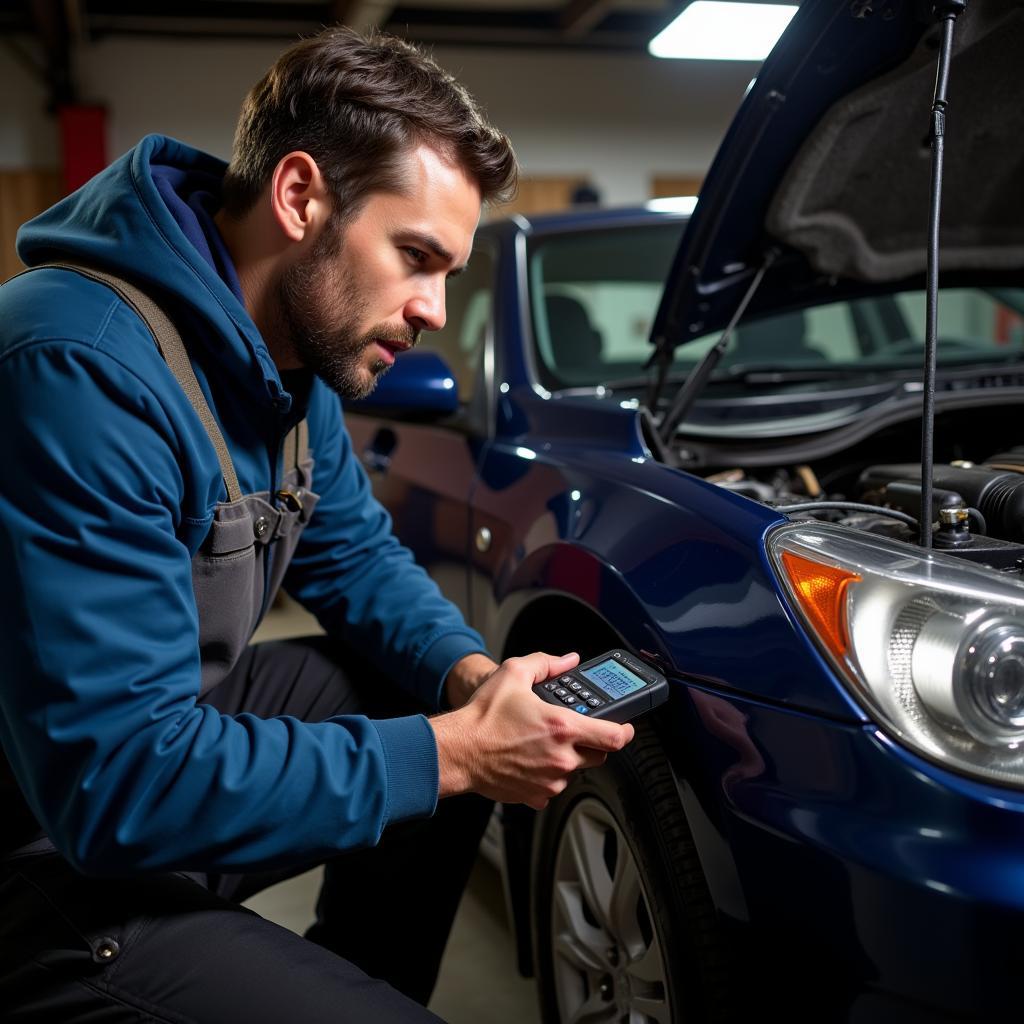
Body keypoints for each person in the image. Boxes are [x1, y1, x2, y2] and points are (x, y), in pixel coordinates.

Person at [0, 27, 634, 1023]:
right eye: (415, 256)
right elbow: (113, 782)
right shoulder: (77, 368)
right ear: (300, 198)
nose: (431, 308)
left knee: (410, 679)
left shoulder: (287, 362)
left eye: (449, 273)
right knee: (438, 748)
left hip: (131, 763)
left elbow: (356, 557)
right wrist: (460, 751)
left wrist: (473, 684)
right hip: (41, 848)